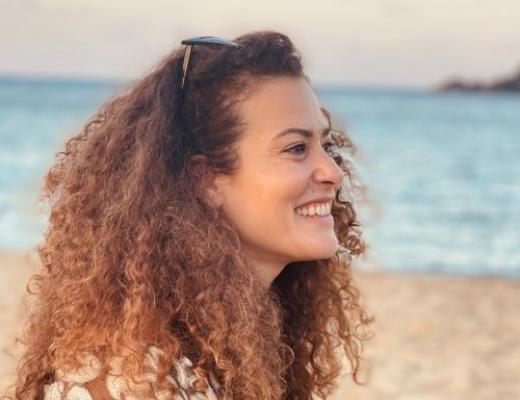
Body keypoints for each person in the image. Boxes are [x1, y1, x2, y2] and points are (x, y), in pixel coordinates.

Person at [4, 30, 374, 400]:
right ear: (205, 179)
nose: (334, 172)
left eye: (324, 145)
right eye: (296, 148)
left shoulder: (225, 347)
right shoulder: (135, 383)